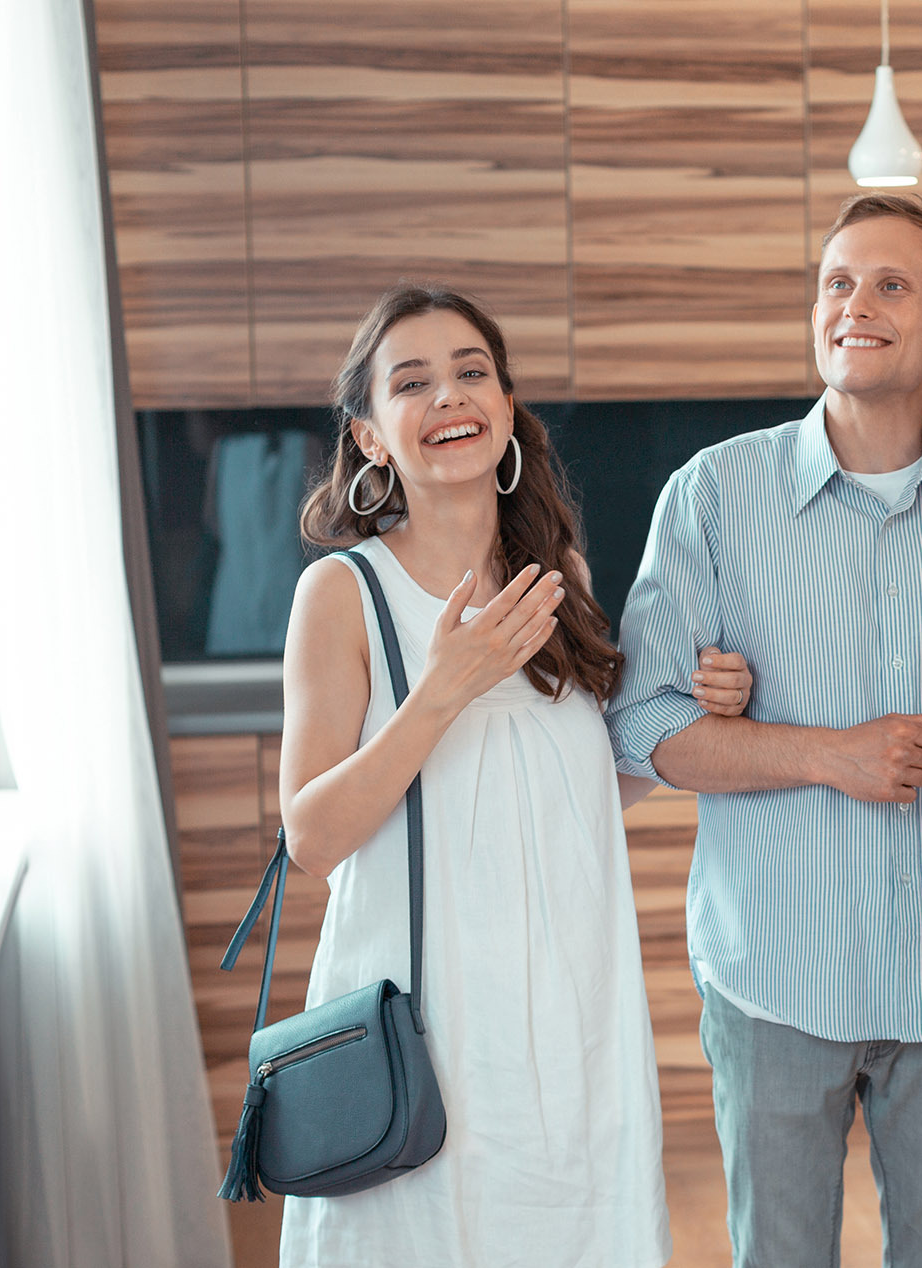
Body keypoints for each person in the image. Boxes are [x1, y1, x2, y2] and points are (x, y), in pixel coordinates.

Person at [607, 195, 922, 1268]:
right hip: (774, 975)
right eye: (837, 282)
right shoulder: (713, 495)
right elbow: (644, 724)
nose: (856, 305)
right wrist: (825, 751)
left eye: (892, 285)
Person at [272, 283, 752, 1267]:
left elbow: (575, 786)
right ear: (369, 436)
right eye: (412, 382)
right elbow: (311, 838)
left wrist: (699, 714)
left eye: (471, 372)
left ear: (504, 405)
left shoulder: (558, 575)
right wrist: (443, 688)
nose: (448, 396)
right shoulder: (344, 592)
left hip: (571, 1006)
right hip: (431, 1014)